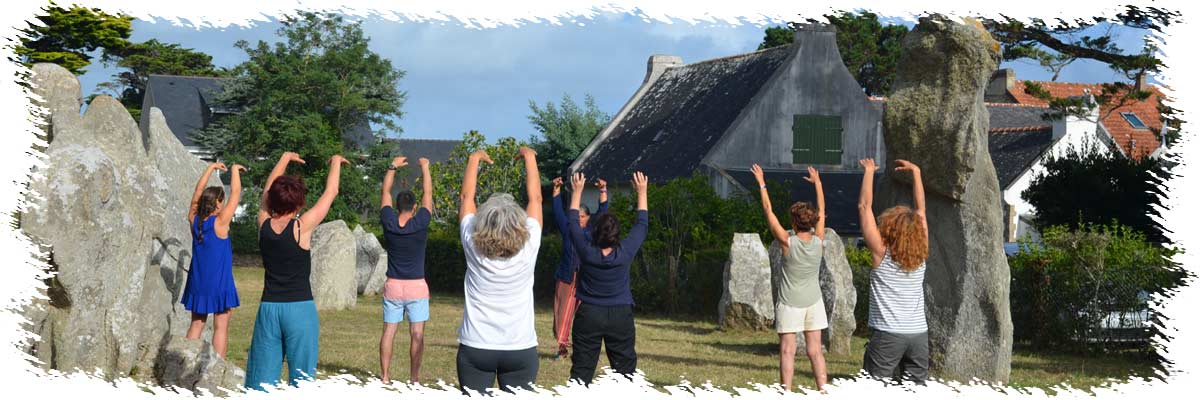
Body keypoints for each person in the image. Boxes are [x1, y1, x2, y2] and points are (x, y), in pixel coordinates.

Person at [244, 152, 348, 391]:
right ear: (299, 203)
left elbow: (266, 191)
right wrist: (334, 162)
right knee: (302, 381)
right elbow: (330, 193)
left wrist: (283, 158)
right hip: (300, 309)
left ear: (272, 200)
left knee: (261, 381)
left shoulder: (264, 224)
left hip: (269, 309)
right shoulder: (302, 227)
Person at [455, 146, 543, 394]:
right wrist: (529, 158)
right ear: (519, 223)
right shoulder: (530, 245)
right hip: (520, 348)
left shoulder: (472, 243)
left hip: (476, 346)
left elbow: (466, 198)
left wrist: (474, 159)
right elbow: (535, 200)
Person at [750, 164, 829, 391]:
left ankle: (785, 391)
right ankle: (823, 390)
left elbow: (768, 210)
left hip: (789, 302)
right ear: (812, 222)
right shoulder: (819, 241)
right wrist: (818, 184)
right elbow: (823, 211)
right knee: (815, 350)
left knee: (787, 350)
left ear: (794, 223)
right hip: (814, 301)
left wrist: (762, 183)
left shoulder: (787, 242)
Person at [567, 171, 649, 386]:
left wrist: (577, 192)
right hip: (621, 314)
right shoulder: (625, 252)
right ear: (617, 234)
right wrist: (642, 192)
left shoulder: (586, 251)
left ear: (594, 233)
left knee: (581, 371)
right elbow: (642, 224)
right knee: (625, 373)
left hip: (589, 313)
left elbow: (573, 223)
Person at [857, 158, 930, 384]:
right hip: (919, 335)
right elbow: (920, 210)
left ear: (889, 227)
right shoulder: (922, 255)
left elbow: (864, 207)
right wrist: (917, 172)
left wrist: (869, 171)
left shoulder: (882, 253)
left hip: (888, 334)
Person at [378, 155, 434, 384]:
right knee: (417, 333)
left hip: (393, 285)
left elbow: (384, 194)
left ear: (397, 206)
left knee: (389, 332)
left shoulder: (389, 222)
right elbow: (428, 196)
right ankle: (414, 378)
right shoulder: (420, 222)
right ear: (413, 207)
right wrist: (425, 168)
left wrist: (391, 166)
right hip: (416, 287)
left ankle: (384, 376)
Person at [182, 162, 246, 358]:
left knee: (197, 323)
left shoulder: (194, 220)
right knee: (221, 326)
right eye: (222, 201)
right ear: (217, 203)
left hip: (198, 282)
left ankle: (185, 361)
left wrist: (210, 168)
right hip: (219, 283)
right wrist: (234, 170)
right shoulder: (221, 222)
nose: (224, 204)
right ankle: (217, 369)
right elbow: (236, 192)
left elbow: (197, 191)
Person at [550, 176, 608, 359]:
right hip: (567, 276)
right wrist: (557, 189)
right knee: (561, 313)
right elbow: (557, 210)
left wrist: (603, 190)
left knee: (585, 314)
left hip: (587, 278)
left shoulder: (592, 230)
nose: (579, 219)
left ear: (588, 218)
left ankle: (583, 349)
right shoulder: (568, 228)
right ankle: (562, 348)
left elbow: (603, 211)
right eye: (576, 216)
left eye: (582, 216)